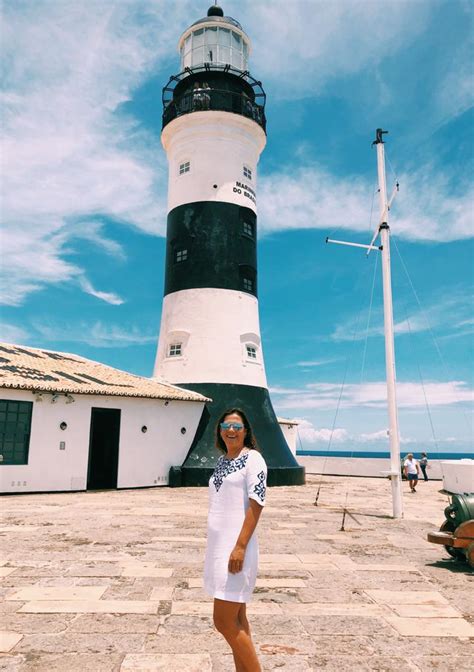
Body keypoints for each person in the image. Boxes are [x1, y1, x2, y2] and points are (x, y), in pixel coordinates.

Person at [204, 408, 267, 672]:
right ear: (219, 430)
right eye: (226, 426)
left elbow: (257, 502)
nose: (231, 431)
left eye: (237, 427)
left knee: (224, 623)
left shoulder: (253, 459)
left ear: (246, 431)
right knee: (239, 621)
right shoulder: (222, 461)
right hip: (218, 550)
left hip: (236, 550)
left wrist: (240, 547)